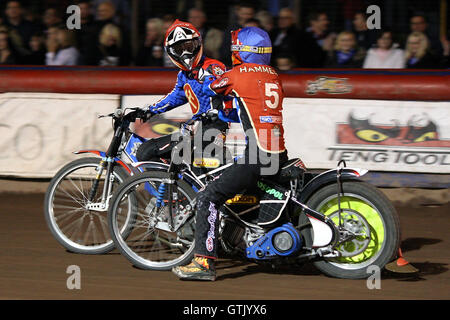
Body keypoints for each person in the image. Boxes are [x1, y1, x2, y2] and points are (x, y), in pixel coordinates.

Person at [172, 27, 288, 281]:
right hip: (277, 152)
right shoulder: (273, 75)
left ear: (241, 50)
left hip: (258, 155)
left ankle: (203, 262)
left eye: (235, 46)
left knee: (209, 196)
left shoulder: (236, 75)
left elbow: (211, 88)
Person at [136, 20, 236, 166]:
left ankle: (176, 186)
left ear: (198, 43)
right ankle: (174, 186)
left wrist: (207, 78)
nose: (185, 53)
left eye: (189, 46)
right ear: (171, 52)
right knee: (146, 151)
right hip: (197, 130)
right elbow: (175, 97)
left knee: (146, 152)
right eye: (179, 49)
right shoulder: (183, 75)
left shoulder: (213, 66)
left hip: (212, 129)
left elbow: (221, 86)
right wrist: (149, 110)